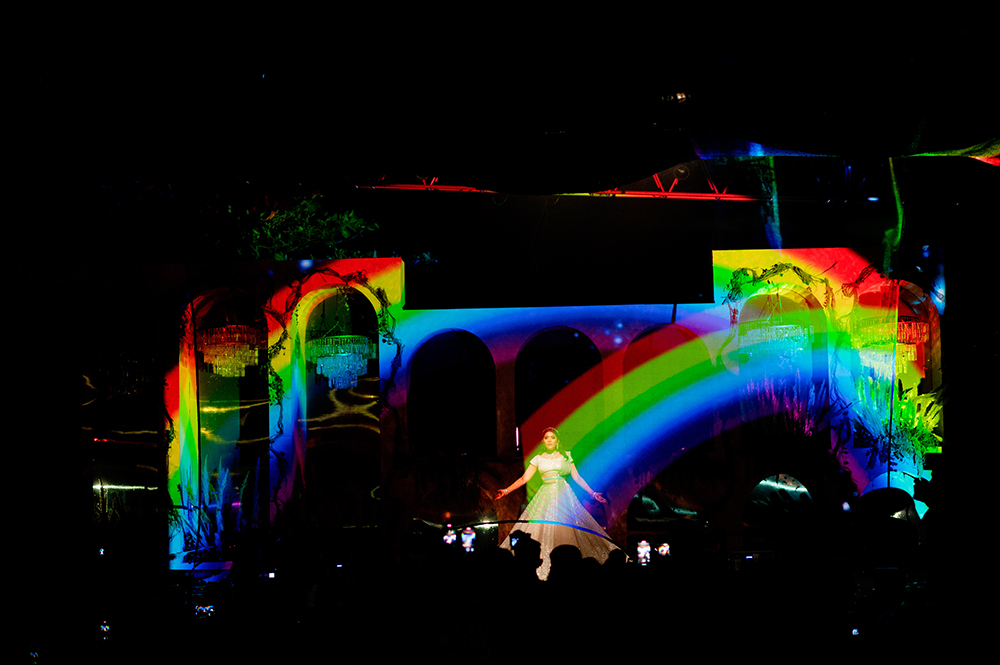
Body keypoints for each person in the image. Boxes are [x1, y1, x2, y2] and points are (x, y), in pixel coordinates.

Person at [495, 427, 621, 579]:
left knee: (566, 528)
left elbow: (577, 477)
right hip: (546, 496)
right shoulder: (538, 458)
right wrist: (506, 491)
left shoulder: (566, 455)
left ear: (557, 441)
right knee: (544, 527)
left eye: (552, 437)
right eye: (546, 438)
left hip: (564, 496)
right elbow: (524, 479)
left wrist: (592, 493)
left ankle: (570, 567)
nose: (549, 440)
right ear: (543, 441)